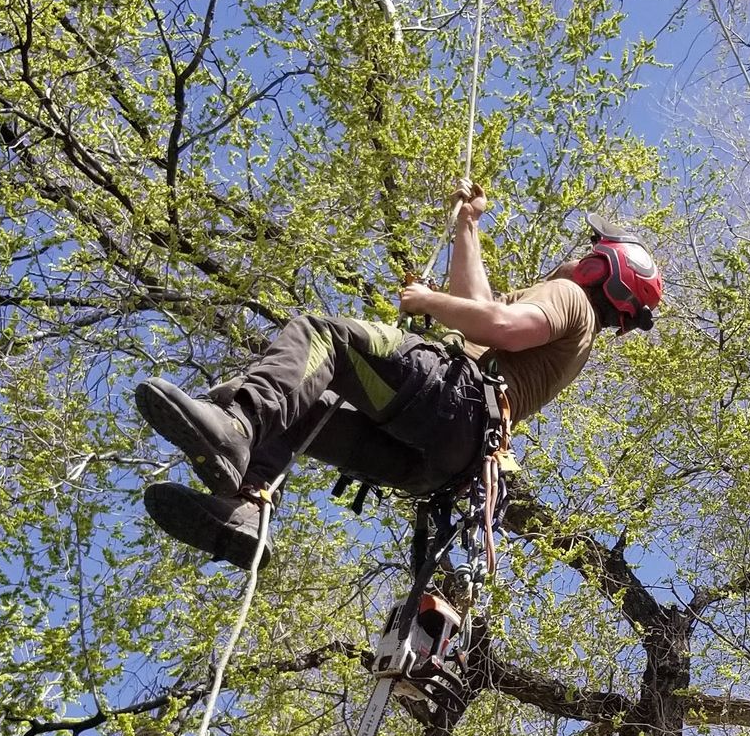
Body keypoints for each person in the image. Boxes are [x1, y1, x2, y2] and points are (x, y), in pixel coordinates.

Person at [138, 198, 663, 568]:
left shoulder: (569, 298)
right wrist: (467, 227)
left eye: (592, 250)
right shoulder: (578, 336)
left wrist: (427, 301)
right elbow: (481, 309)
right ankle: (246, 508)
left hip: (454, 401)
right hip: (437, 464)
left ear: (603, 269)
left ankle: (238, 425)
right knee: (301, 407)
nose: (581, 252)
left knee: (323, 336)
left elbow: (501, 327)